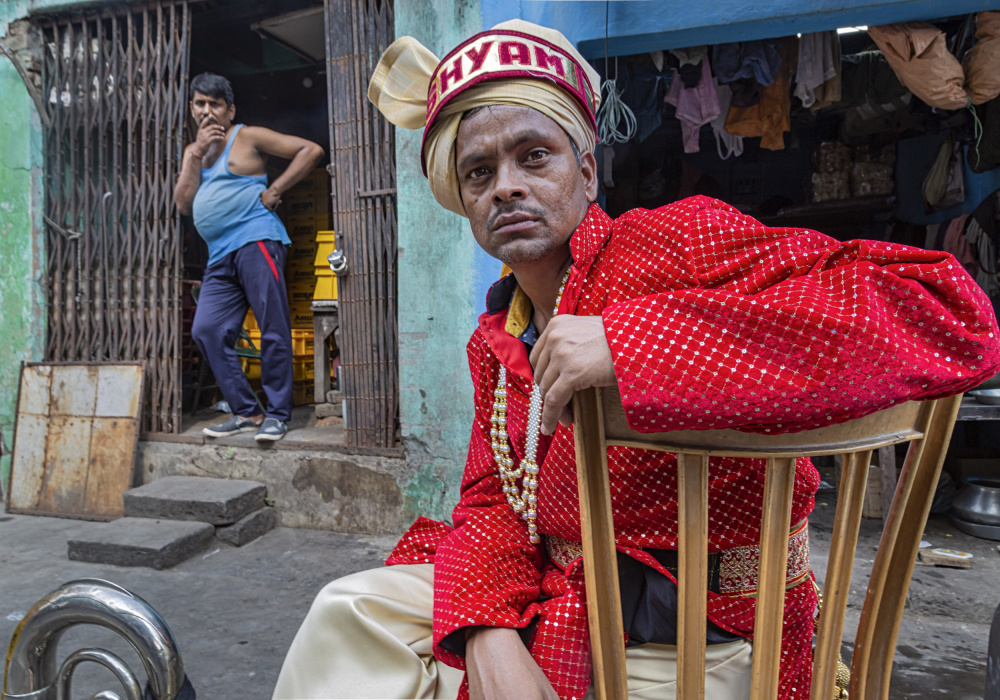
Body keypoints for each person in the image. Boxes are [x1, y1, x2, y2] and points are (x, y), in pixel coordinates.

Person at [273, 20, 1000, 700]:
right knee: (346, 613)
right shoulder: (497, 335)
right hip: (560, 598)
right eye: (478, 173)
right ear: (465, 204)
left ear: (587, 174)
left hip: (707, 636)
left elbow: (947, 310)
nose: (507, 186)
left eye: (534, 156)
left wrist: (631, 341)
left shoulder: (674, 243)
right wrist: (489, 636)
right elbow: (492, 500)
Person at [174, 72, 324, 442]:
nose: (207, 111)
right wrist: (194, 154)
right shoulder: (191, 153)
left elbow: (311, 150)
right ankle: (246, 412)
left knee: (271, 324)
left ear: (230, 110)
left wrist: (274, 189)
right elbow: (183, 204)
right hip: (219, 255)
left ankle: (277, 414)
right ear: (192, 109)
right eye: (200, 104)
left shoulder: (247, 136)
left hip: (256, 239)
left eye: (215, 104)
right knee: (206, 330)